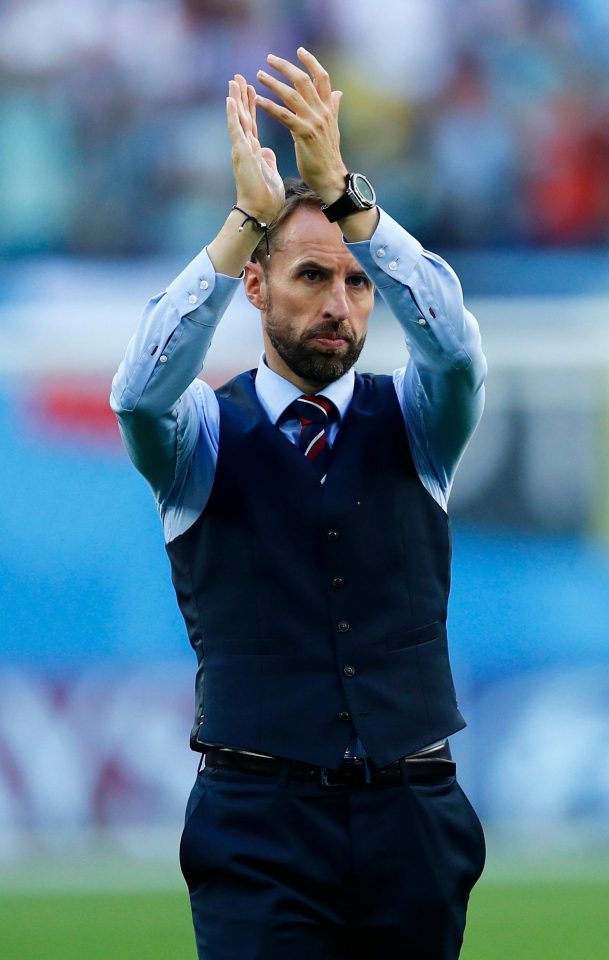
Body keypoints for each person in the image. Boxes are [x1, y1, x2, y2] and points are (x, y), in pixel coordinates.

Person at [111, 48, 487, 960]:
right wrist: (245, 219)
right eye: (312, 276)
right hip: (258, 825)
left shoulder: (420, 420)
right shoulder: (201, 437)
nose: (342, 304)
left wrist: (355, 205)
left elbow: (458, 349)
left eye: (357, 283)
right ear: (255, 286)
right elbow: (136, 393)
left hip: (414, 821)